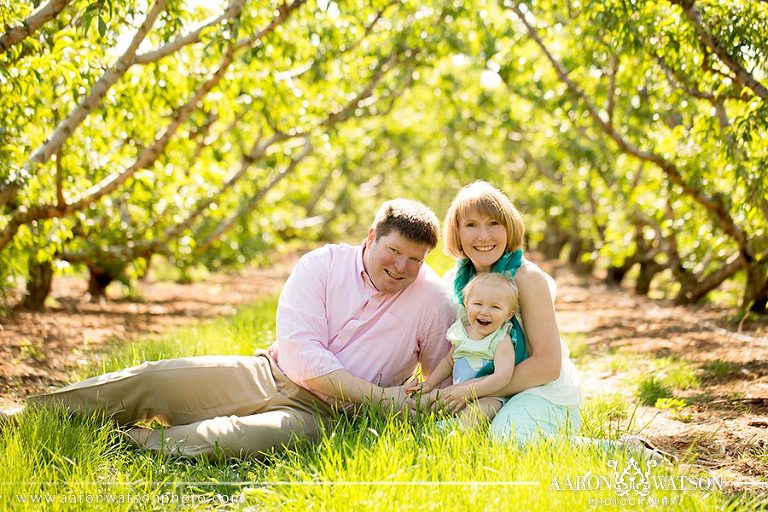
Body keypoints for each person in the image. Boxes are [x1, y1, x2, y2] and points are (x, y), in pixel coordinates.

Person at [18, 199, 455, 459]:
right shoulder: (322, 265)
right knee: (157, 379)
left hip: (328, 415)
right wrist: (382, 397)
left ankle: (130, 443)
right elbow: (302, 355)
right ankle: (26, 419)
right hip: (270, 372)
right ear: (371, 236)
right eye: (394, 252)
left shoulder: (433, 302)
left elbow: (442, 376)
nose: (402, 268)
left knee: (235, 438)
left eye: (415, 260)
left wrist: (412, 403)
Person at [436, 180, 583, 444]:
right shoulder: (455, 281)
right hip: (490, 394)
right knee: (444, 436)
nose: (484, 236)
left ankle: (624, 450)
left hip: (540, 391)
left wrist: (470, 392)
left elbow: (548, 366)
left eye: (494, 223)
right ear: (457, 232)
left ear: (509, 227)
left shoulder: (527, 278)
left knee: (509, 439)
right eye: (471, 225)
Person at [407, 272, 519, 429]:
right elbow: (448, 361)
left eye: (495, 307)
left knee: (475, 412)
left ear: (508, 315)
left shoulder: (501, 340)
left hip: (487, 395)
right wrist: (430, 383)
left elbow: (503, 377)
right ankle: (409, 424)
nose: (484, 312)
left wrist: (469, 392)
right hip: (456, 391)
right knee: (425, 401)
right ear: (467, 305)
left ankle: (451, 432)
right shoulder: (461, 334)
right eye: (478, 304)